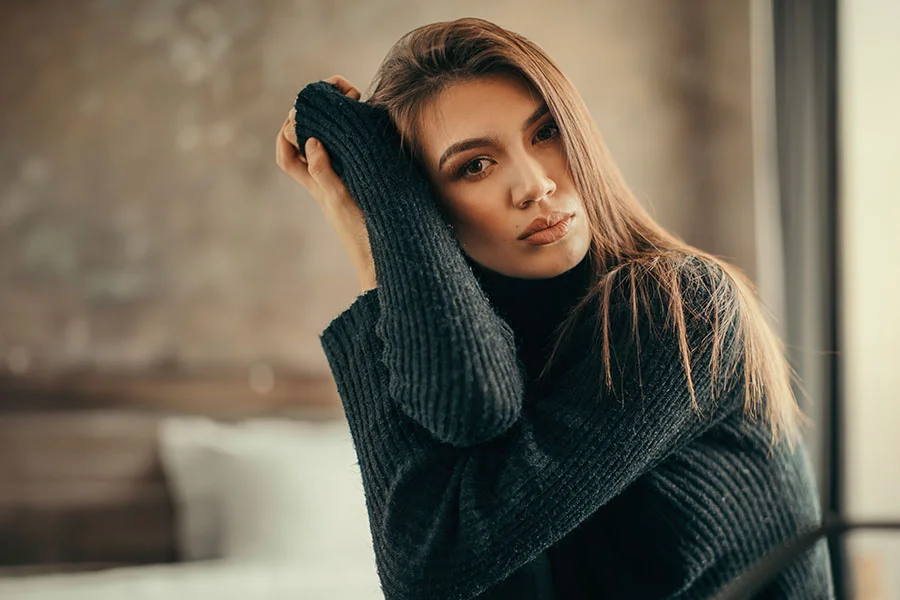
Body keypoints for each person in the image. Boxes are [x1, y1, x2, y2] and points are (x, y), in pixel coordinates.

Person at [275, 17, 833, 600]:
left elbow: (432, 571)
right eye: (475, 166)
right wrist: (384, 238)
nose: (534, 185)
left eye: (545, 133)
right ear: (426, 210)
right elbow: (474, 409)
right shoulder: (490, 346)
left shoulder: (682, 307)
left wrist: (376, 271)